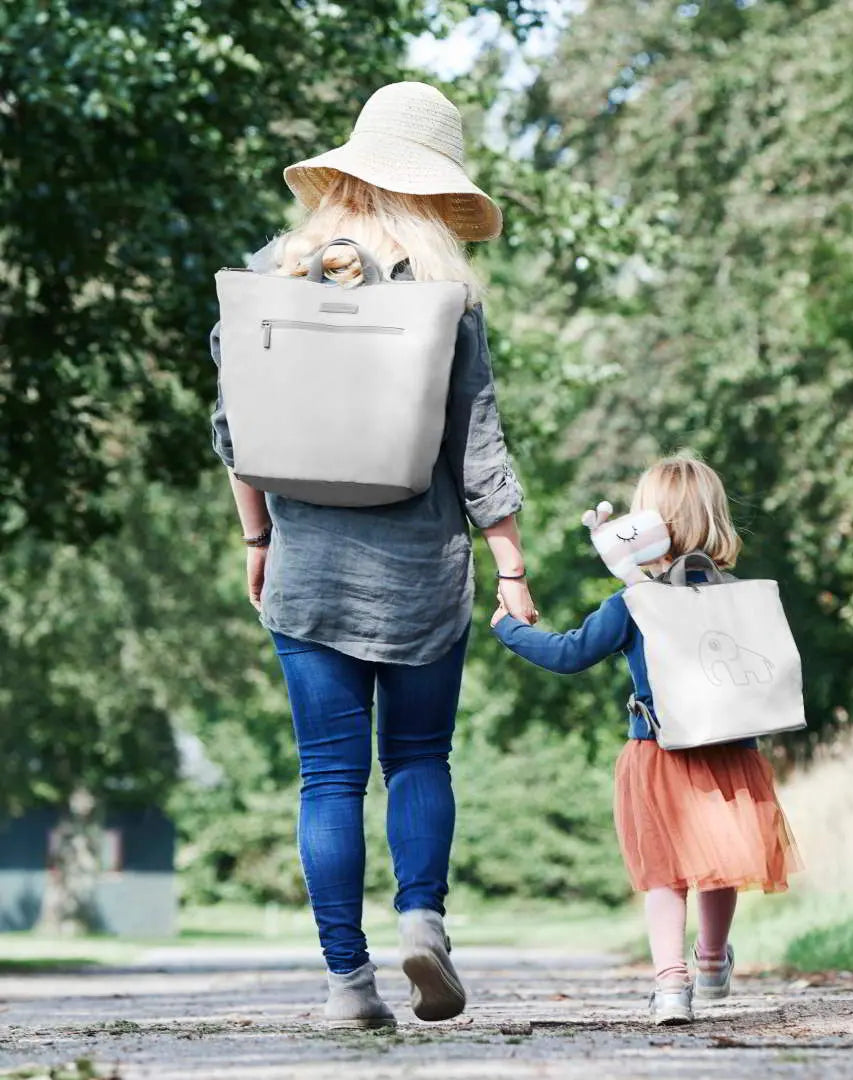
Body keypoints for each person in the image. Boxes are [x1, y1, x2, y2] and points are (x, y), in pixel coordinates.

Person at [209, 81, 539, 1028]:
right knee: (420, 758)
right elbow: (479, 448)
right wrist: (511, 567)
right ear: (433, 193)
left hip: (307, 564)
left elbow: (235, 431)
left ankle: (346, 983)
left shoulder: (269, 280)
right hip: (423, 569)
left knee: (328, 776)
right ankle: (423, 921)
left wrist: (259, 537)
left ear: (345, 175)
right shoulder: (446, 298)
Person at [491, 453, 801, 1025]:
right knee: (721, 863)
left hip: (660, 755)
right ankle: (711, 960)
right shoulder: (738, 598)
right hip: (732, 753)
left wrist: (508, 628)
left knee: (663, 871)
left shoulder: (634, 603)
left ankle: (670, 985)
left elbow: (568, 654)